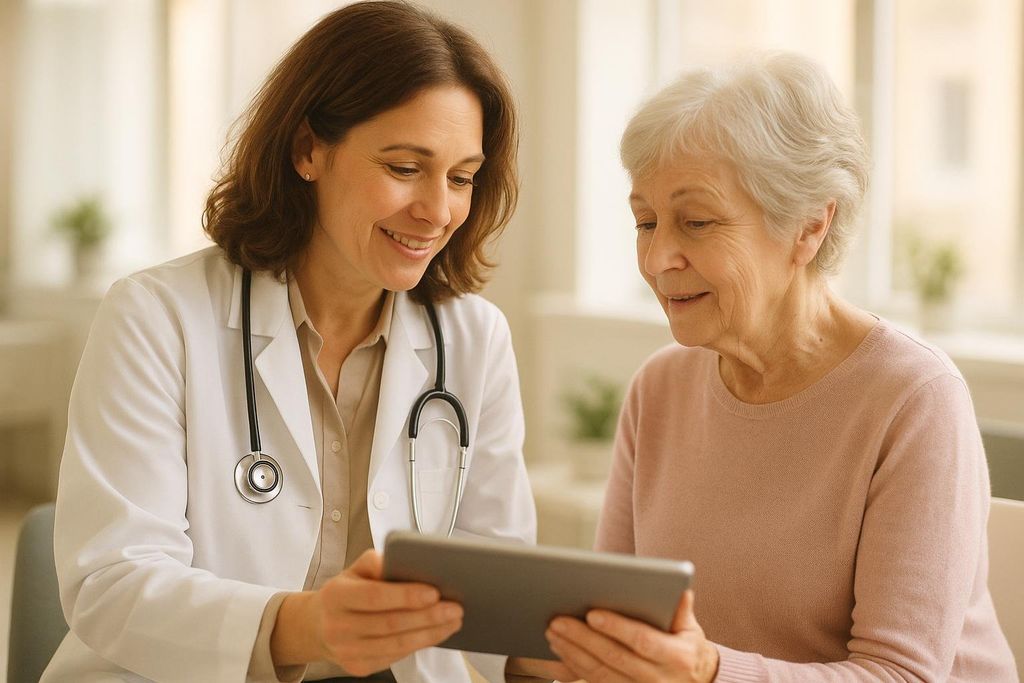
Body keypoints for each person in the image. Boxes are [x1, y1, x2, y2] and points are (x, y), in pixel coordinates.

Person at [43, 3, 553, 681]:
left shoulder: (474, 337)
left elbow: (496, 589)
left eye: (461, 177)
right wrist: (306, 626)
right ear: (308, 149)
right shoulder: (157, 316)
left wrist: (551, 654)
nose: (438, 210)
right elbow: (112, 583)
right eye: (405, 167)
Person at [542, 53, 1019, 682]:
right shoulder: (659, 388)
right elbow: (620, 630)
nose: (658, 258)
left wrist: (707, 673)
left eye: (697, 222)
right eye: (646, 221)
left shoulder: (914, 398)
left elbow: (900, 676)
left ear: (809, 226)